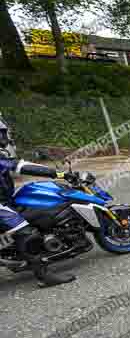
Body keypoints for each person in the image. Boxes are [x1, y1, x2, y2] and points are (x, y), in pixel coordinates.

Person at [0, 115, 77, 287]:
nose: (6, 137)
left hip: (5, 200)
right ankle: (44, 276)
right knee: (27, 233)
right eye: (2, 133)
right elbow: (23, 167)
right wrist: (60, 174)